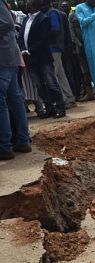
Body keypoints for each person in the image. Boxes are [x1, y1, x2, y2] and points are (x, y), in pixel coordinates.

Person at [18, 0, 66, 118]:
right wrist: (24, 51)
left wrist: (30, 51)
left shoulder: (44, 19)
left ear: (35, 4)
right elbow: (20, 37)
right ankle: (49, 108)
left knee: (51, 83)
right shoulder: (26, 19)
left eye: (29, 2)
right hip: (29, 59)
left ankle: (60, 107)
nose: (27, 3)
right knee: (39, 85)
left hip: (42, 57)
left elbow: (44, 40)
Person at [0, 0, 31, 160]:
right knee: (15, 100)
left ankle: (4, 146)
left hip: (3, 58)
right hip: (9, 57)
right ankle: (22, 141)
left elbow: (7, 23)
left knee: (4, 102)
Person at [44, 0, 76, 108]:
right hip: (55, 48)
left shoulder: (51, 13)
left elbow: (55, 28)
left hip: (53, 47)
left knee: (53, 75)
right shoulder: (52, 12)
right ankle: (70, 97)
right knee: (60, 75)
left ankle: (64, 99)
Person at [65, 2, 94, 101]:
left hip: (92, 45)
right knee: (84, 70)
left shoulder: (90, 10)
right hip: (80, 47)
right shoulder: (72, 14)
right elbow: (72, 33)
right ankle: (89, 92)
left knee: (94, 67)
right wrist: (79, 44)